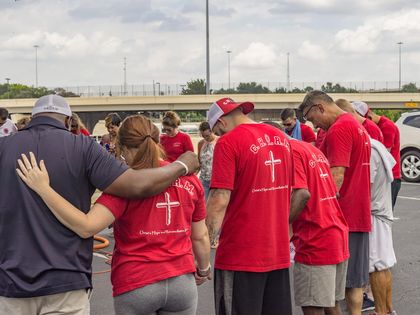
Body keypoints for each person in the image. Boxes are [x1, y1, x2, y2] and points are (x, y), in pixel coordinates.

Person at [0, 94, 198, 315]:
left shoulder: (3, 146)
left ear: (32, 117)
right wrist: (182, 165)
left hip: (11, 279)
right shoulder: (83, 147)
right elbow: (137, 184)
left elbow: (91, 222)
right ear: (68, 121)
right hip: (67, 277)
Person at [206, 97, 293, 315]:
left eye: (218, 130)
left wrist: (203, 245)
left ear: (221, 122)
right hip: (277, 250)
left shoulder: (228, 142)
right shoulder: (280, 137)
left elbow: (219, 197)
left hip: (241, 255)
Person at [299, 91, 371, 315]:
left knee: (338, 288)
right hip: (357, 214)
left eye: (311, 118)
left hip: (344, 216)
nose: (315, 125)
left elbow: (336, 175)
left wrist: (320, 211)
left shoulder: (339, 128)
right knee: (347, 286)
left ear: (319, 108)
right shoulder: (355, 124)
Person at [289, 139, 349, 315]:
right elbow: (334, 192)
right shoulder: (313, 150)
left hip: (315, 239)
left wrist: (281, 225)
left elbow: (302, 194)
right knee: (332, 304)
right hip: (335, 233)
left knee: (313, 306)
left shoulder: (291, 152)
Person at [352, 101, 401, 210]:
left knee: (384, 213)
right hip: (382, 175)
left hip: (390, 176)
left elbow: (384, 153)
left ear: (368, 116)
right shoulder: (377, 125)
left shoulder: (387, 126)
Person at [368, 139, 397, 315]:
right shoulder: (377, 146)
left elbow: (367, 186)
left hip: (374, 213)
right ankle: (386, 309)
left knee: (377, 266)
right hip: (382, 211)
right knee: (383, 265)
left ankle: (381, 311)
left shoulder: (370, 150)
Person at [197, 121, 218, 201]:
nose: (205, 138)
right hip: (203, 180)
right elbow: (199, 162)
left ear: (212, 131)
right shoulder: (201, 143)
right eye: (203, 136)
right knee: (203, 204)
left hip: (215, 180)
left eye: (207, 136)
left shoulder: (219, 141)